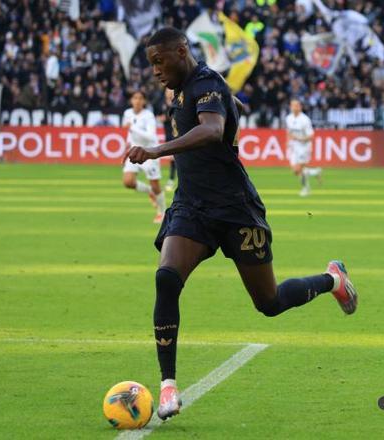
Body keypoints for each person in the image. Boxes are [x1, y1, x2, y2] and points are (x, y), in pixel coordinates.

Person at [123, 27, 358, 421]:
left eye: (159, 61)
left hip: (235, 209)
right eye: (151, 64)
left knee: (269, 303)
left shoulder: (206, 82)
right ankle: (168, 387)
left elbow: (213, 129)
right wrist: (233, 107)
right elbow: (227, 110)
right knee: (166, 278)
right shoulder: (187, 89)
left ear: (181, 51)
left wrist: (157, 151)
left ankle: (332, 279)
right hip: (192, 207)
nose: (156, 71)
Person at [122, 90, 166, 223]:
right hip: (134, 151)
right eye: (135, 98)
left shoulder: (148, 116)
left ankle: (162, 212)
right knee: (128, 182)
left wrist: (133, 127)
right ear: (131, 100)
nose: (137, 101)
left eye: (140, 98)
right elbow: (129, 133)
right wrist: (127, 145)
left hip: (149, 153)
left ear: (144, 101)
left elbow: (151, 136)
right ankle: (149, 192)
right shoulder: (127, 113)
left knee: (155, 185)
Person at [285, 99, 321, 196]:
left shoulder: (305, 120)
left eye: (296, 105)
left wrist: (299, 138)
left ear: (300, 107)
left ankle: (306, 189)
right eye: (292, 105)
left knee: (298, 169)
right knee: (296, 171)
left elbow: (311, 136)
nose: (294, 107)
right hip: (294, 146)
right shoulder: (288, 118)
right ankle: (315, 171)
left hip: (304, 147)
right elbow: (289, 131)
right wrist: (287, 142)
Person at [159, 89, 177, 192]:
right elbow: (159, 115)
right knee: (173, 159)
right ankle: (172, 180)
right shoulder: (162, 103)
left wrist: (165, 117)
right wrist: (161, 118)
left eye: (170, 91)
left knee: (174, 158)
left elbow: (175, 117)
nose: (169, 93)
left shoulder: (177, 102)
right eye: (167, 91)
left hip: (177, 134)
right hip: (168, 134)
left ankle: (171, 180)